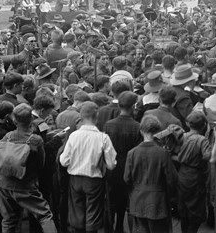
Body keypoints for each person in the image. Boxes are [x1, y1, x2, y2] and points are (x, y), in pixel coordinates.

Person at [0, 103, 58, 233]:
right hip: (25, 185)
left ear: (14, 119)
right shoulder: (36, 140)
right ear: (31, 119)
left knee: (8, 220)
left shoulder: (7, 137)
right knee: (45, 215)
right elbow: (41, 164)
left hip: (3, 183)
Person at [59, 101, 117, 233]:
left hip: (75, 179)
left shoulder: (73, 136)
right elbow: (111, 164)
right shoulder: (103, 138)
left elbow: (63, 161)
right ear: (97, 117)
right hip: (94, 180)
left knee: (77, 213)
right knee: (93, 213)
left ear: (81, 117)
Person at [124, 115, 178, 233]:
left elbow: (126, 178)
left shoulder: (132, 153)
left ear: (141, 131)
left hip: (137, 200)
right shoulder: (162, 153)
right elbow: (172, 179)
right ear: (157, 130)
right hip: (158, 201)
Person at [104, 92, 142, 233]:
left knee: (110, 201)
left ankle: (110, 227)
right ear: (133, 106)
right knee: (125, 202)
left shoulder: (109, 125)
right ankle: (120, 226)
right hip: (129, 169)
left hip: (111, 169)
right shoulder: (137, 127)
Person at [177, 111, 212, 233]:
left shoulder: (183, 136)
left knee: (184, 207)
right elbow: (208, 157)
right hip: (196, 175)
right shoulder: (203, 140)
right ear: (203, 126)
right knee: (196, 209)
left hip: (182, 173)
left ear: (187, 124)